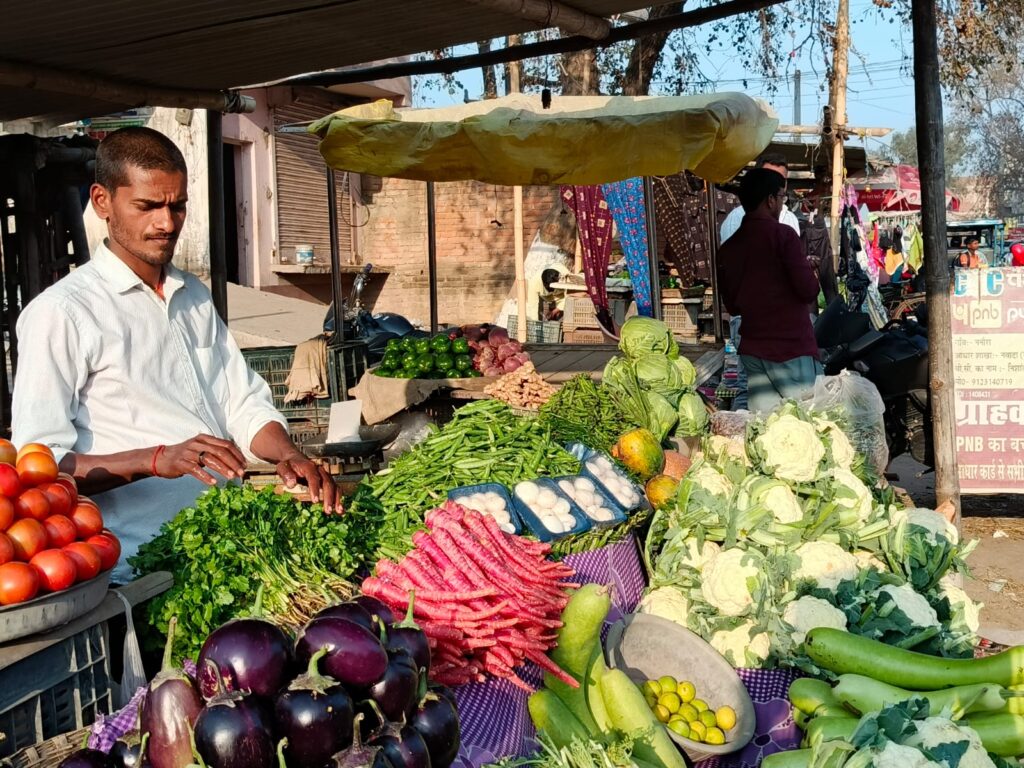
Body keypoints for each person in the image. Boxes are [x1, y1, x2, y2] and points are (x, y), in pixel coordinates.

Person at [12, 127, 341, 581]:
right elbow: (39, 466)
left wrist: (288, 453)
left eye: (178, 205)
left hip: (228, 545)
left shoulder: (193, 296)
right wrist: (153, 459)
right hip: (137, 565)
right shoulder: (62, 313)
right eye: (147, 206)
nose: (167, 223)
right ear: (102, 201)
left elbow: (241, 402)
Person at [717, 168, 822, 414]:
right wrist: (810, 271)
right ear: (770, 199)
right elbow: (808, 291)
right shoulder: (783, 235)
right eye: (782, 197)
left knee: (765, 430)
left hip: (753, 352)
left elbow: (732, 306)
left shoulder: (729, 248)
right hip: (789, 348)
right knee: (809, 423)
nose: (782, 204)